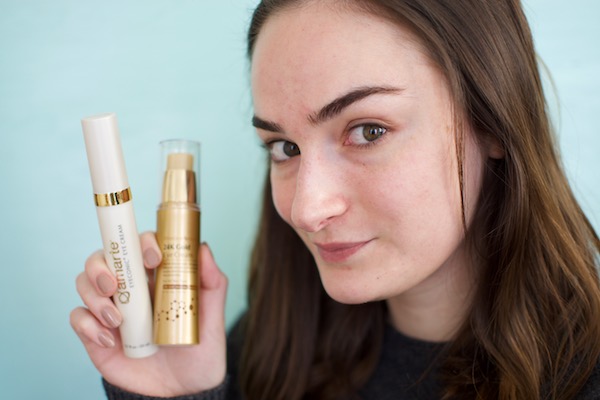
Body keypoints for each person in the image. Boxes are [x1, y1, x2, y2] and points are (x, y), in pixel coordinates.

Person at [70, 0, 600, 399]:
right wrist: (177, 395)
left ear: (492, 122)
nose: (306, 210)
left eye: (369, 131)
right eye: (285, 147)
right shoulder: (260, 353)